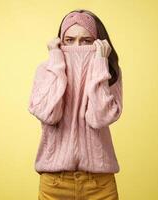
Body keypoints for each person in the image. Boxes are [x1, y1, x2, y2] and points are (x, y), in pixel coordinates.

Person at [28, 9, 123, 200]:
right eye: (69, 41)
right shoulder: (45, 70)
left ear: (98, 43)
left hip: (100, 184)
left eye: (86, 41)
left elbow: (99, 117)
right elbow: (50, 114)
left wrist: (100, 64)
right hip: (54, 184)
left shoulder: (109, 71)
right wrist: (56, 63)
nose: (77, 46)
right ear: (59, 42)